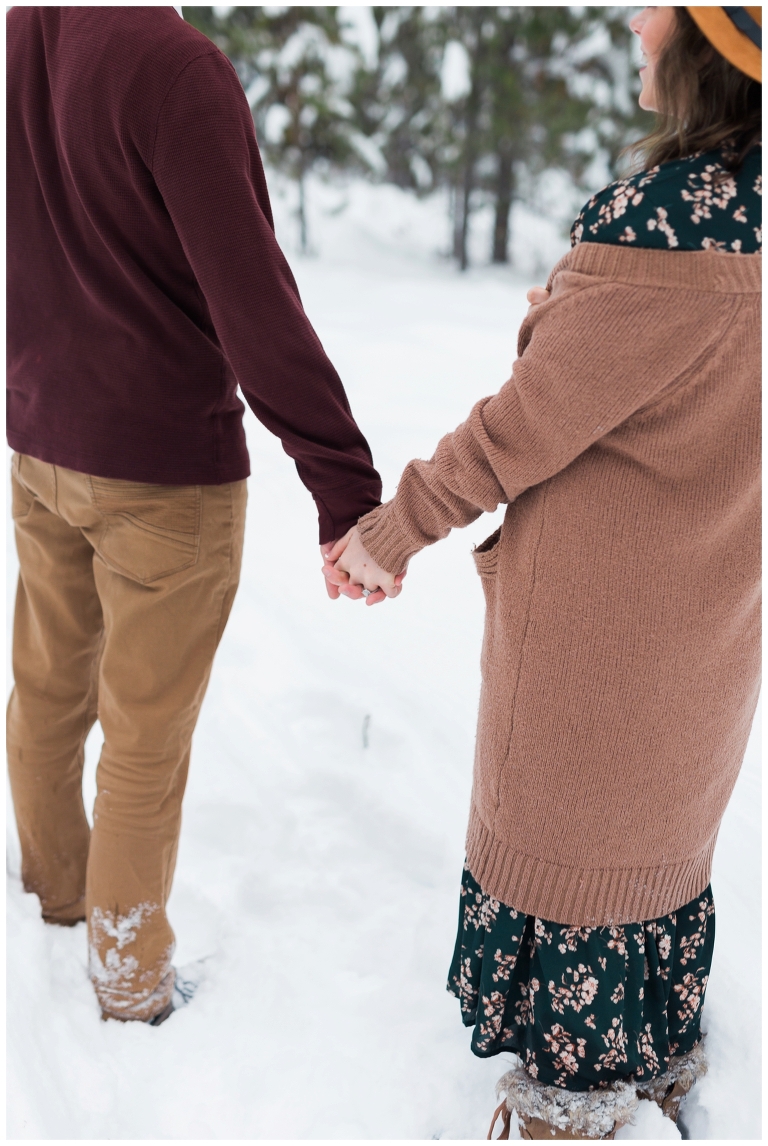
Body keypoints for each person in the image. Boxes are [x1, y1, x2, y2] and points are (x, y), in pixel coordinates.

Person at [324, 7, 761, 1139]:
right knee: (656, 838)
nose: (634, 18)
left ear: (715, 46)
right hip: (714, 610)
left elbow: (526, 424)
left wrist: (393, 529)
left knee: (575, 849)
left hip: (603, 630)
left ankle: (570, 1106)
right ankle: (653, 1051)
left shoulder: (665, 221)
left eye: (662, 5)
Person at [6, 6, 381, 1026]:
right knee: (144, 735)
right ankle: (126, 982)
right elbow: (249, 293)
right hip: (160, 472)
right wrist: (341, 479)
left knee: (46, 688)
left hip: (40, 442)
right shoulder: (177, 67)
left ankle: (53, 902)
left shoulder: (27, 30)